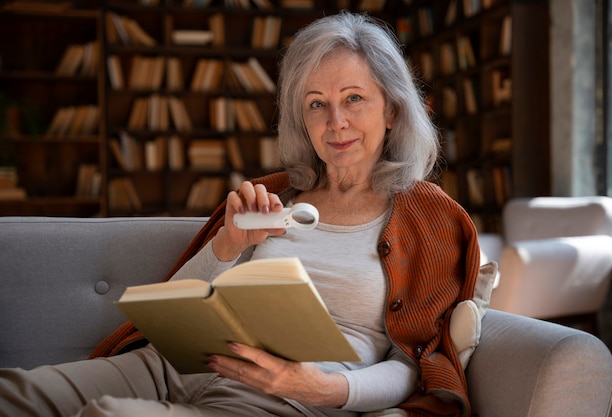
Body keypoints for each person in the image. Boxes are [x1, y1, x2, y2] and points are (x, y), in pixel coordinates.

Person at [0, 11, 481, 417]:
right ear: (301, 119)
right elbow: (177, 302)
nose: (336, 121)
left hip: (278, 397)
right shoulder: (274, 194)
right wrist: (228, 244)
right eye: (317, 104)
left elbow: (415, 360)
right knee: (13, 393)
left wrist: (323, 389)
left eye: (354, 98)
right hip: (178, 362)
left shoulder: (429, 218)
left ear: (392, 110)